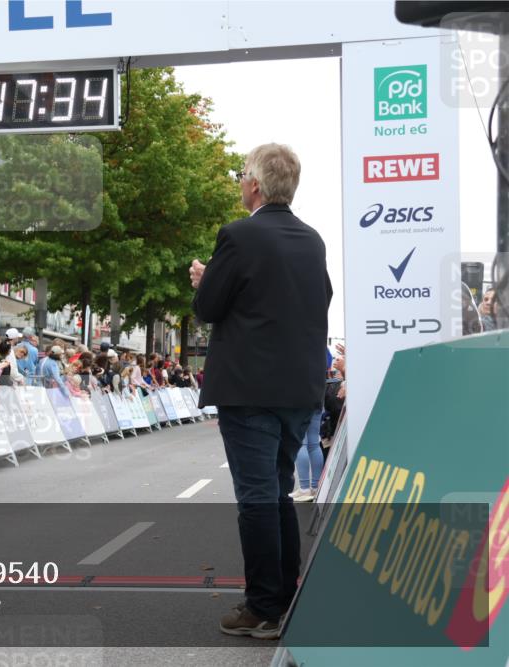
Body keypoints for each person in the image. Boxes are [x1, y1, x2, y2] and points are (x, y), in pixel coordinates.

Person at [190, 143, 331, 639]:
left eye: (241, 176)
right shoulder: (312, 239)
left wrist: (205, 279)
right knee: (277, 491)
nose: (239, 183)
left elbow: (209, 307)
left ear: (253, 184)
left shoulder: (239, 234)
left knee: (256, 497)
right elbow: (315, 297)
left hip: (250, 388)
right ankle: (284, 598)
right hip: (299, 389)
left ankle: (264, 606)